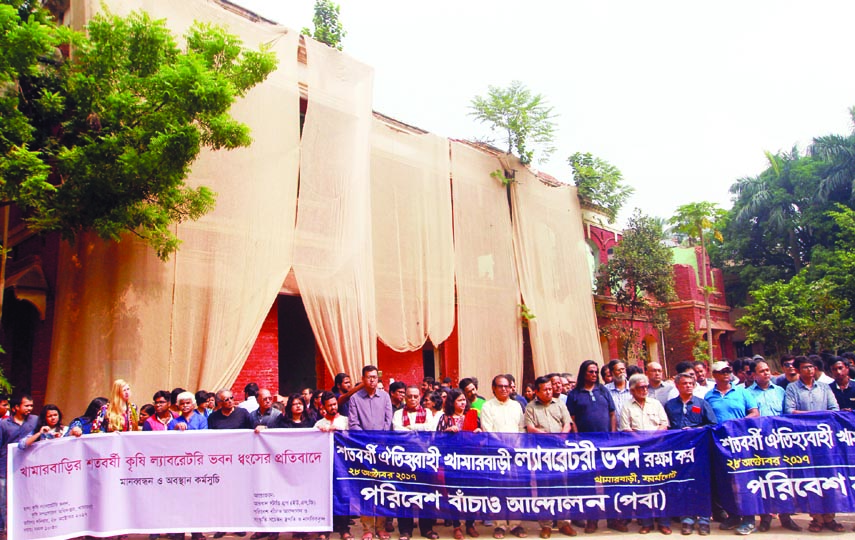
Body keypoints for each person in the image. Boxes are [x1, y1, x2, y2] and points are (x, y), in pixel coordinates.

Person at [781, 356, 842, 533]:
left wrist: (813, 416)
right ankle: (816, 518)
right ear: (799, 370)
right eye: (805, 367)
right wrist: (816, 416)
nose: (809, 370)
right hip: (804, 442)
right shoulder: (792, 388)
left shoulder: (824, 388)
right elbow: (789, 411)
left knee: (828, 477)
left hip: (825, 441)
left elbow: (834, 409)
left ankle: (830, 517)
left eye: (812, 367)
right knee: (811, 478)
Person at [704, 361, 759, 536]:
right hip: (720, 445)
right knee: (726, 482)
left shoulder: (742, 392)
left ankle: (749, 519)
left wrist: (739, 423)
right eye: (722, 372)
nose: (727, 374)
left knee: (743, 481)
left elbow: (754, 413)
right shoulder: (708, 396)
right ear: (714, 375)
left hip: (741, 444)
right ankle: (734, 515)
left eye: (728, 371)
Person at [565, 361, 620, 534]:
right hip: (585, 446)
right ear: (583, 373)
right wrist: (578, 438)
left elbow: (612, 414)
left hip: (606, 443)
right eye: (591, 372)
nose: (595, 375)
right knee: (588, 484)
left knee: (610, 482)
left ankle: (613, 519)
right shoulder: (574, 395)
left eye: (596, 372)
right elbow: (571, 418)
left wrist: (611, 435)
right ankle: (592, 520)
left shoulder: (603, 391)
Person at [745, 361, 799, 533]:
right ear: (753, 375)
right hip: (759, 443)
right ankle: (765, 517)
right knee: (763, 479)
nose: (766, 373)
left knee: (784, 478)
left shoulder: (781, 391)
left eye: (768, 370)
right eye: (762, 371)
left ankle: (786, 516)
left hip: (780, 442)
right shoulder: (746, 394)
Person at [664, 373, 716, 535]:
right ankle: (687, 519)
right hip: (679, 451)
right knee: (683, 484)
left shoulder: (701, 403)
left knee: (701, 484)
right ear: (677, 386)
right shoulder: (670, 405)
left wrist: (695, 431)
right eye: (684, 383)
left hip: (699, 450)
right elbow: (666, 427)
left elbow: (713, 425)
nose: (688, 386)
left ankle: (704, 520)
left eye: (690, 383)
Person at [525, 376, 576, 538]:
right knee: (543, 488)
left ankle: (564, 523)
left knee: (561, 487)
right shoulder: (530, 407)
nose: (549, 392)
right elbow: (530, 427)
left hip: (560, 452)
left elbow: (567, 422)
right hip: (541, 454)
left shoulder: (559, 404)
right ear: (537, 391)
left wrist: (561, 435)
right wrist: (547, 436)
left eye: (550, 388)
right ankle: (546, 525)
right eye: (545, 389)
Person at [619, 375, 670, 534]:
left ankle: (664, 522)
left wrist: (652, 438)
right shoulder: (626, 407)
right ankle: (646, 522)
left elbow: (664, 423)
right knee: (643, 487)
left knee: (661, 485)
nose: (644, 390)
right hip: (638, 452)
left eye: (646, 387)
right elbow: (626, 429)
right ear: (632, 390)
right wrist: (643, 440)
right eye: (641, 387)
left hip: (657, 450)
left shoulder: (655, 404)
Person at [347, 365, 393, 540]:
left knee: (381, 488)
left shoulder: (385, 397)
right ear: (363, 379)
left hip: (382, 449)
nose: (372, 380)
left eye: (375, 377)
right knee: (366, 488)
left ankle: (381, 527)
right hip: (363, 450)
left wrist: (380, 440)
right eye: (369, 377)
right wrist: (366, 442)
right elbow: (353, 423)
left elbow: (388, 422)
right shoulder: (355, 399)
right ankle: (367, 528)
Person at [480, 375, 526, 539]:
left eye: (506, 386)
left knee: (515, 489)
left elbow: (521, 428)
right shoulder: (487, 406)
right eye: (500, 386)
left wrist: (516, 448)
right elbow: (487, 430)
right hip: (496, 455)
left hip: (515, 455)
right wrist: (503, 447)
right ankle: (499, 525)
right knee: (498, 490)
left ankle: (515, 525)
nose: (504, 389)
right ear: (493, 388)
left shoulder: (516, 406)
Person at [393, 386, 437, 540]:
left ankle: (427, 529)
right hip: (404, 460)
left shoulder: (428, 414)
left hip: (423, 459)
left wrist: (409, 429)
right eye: (410, 396)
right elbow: (398, 432)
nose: (412, 399)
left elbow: (429, 429)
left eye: (415, 396)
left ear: (420, 398)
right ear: (405, 397)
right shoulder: (398, 414)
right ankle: (405, 530)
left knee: (425, 494)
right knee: (404, 494)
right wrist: (417, 430)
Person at [436, 389, 479, 539]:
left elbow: (481, 437)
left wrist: (479, 431)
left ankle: (470, 524)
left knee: (471, 493)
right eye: (459, 400)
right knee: (454, 493)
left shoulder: (473, 415)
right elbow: (437, 440)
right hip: (452, 463)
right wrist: (447, 432)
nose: (463, 403)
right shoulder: (445, 418)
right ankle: (456, 526)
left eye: (464, 400)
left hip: (471, 462)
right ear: (452, 402)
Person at [0, 394, 38, 532]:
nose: (30, 408)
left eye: (31, 406)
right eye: (26, 405)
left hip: (29, 468)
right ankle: (5, 530)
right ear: (16, 407)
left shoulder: (35, 421)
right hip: (6, 468)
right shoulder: (3, 424)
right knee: (4, 501)